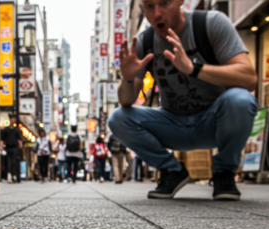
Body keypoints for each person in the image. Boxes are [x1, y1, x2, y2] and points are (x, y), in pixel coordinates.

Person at [109, 0, 258, 200]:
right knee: (118, 118)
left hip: (214, 121)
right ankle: (172, 171)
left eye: (164, 3)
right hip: (173, 124)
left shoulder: (210, 23)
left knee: (241, 99)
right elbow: (126, 102)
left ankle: (224, 172)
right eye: (149, 6)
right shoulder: (145, 42)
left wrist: (194, 69)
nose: (157, 13)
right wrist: (127, 78)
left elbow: (249, 78)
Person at [0, 115, 23, 183]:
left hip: (14, 147)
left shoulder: (16, 129)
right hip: (7, 147)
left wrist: (20, 145)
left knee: (14, 162)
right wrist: (1, 146)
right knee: (6, 162)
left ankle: (13, 176)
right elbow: (2, 139)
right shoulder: (6, 129)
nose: (14, 120)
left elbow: (19, 139)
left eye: (14, 119)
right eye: (13, 119)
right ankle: (7, 176)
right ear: (10, 120)